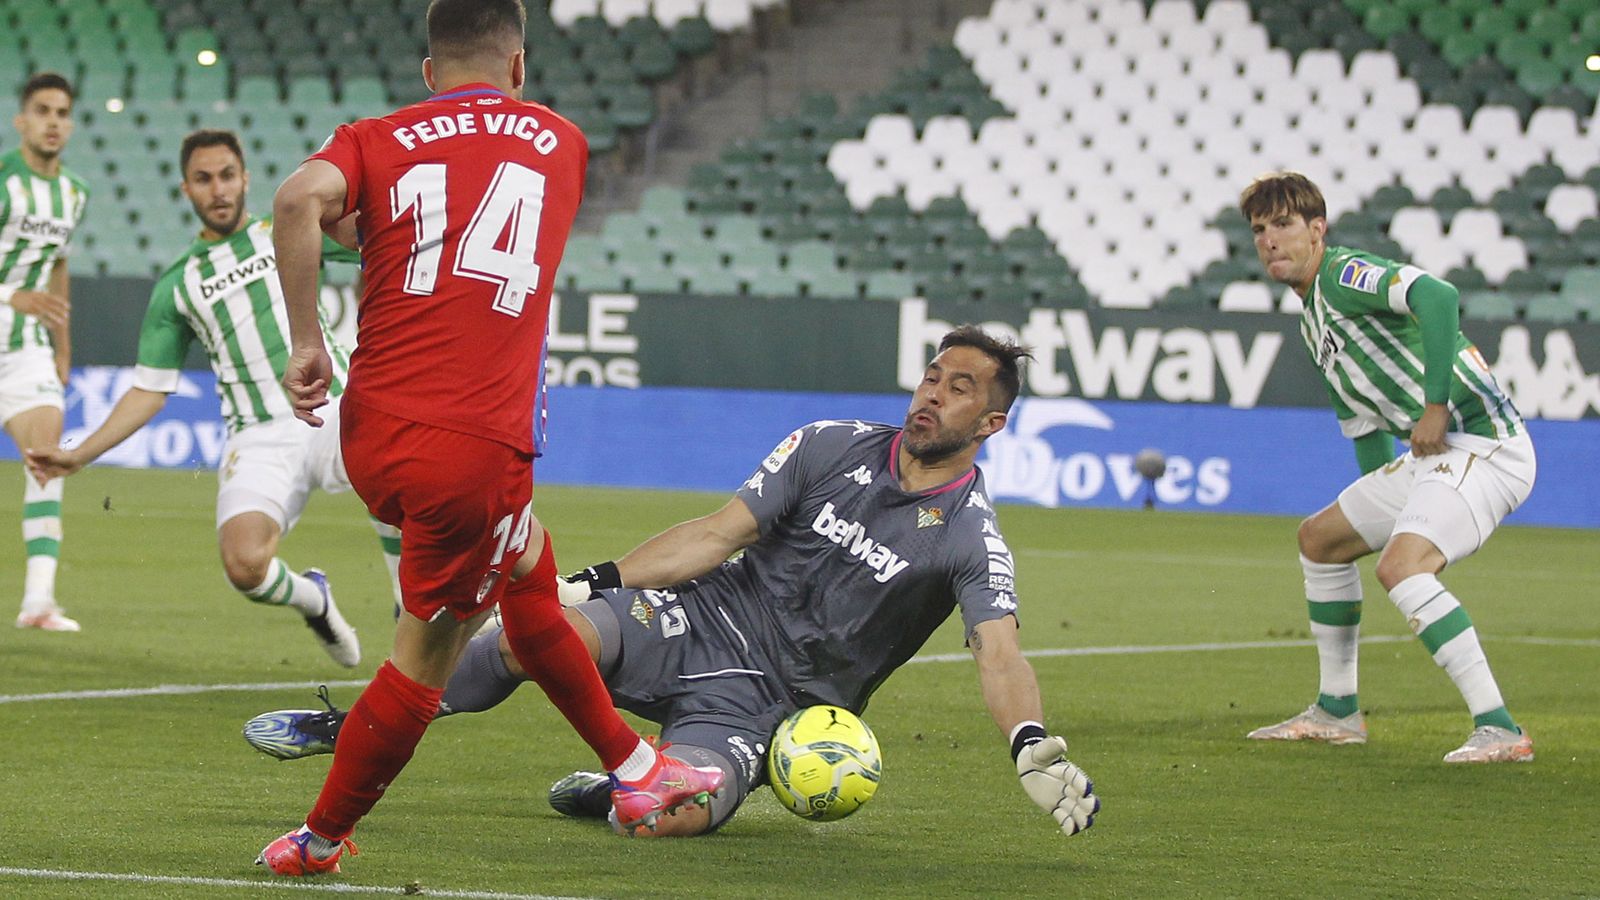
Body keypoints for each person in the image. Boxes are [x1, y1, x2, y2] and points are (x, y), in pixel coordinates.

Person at [245, 325, 1101, 839]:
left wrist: (1029, 738)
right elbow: (715, 537)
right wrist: (590, 582)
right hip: (692, 618)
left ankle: (627, 788)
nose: (931, 397)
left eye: (958, 391)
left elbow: (999, 652)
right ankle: (348, 726)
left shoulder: (970, 538)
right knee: (524, 639)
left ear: (990, 423)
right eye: (930, 377)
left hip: (766, 709)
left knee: (665, 824)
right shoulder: (830, 443)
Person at [256, 0, 722, 875]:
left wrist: (307, 343)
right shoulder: (564, 144)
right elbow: (489, 218)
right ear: (518, 64)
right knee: (424, 662)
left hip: (375, 434)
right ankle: (320, 840)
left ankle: (635, 766)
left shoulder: (377, 137)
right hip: (471, 441)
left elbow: (297, 204)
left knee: (531, 571)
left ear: (431, 72)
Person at [26, 129, 406, 666]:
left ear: (245, 178)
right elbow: (148, 390)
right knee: (244, 565)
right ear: (186, 189)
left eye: (228, 175)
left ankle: (405, 602)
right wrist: (79, 453)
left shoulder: (286, 229)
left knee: (397, 480)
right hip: (257, 434)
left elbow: (383, 243)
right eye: (204, 179)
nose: (219, 189)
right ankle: (313, 599)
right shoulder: (177, 285)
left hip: (334, 404)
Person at [1239, 171, 1536, 763]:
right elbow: (1363, 427)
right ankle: (1337, 711)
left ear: (1317, 229)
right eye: (1259, 230)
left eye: (1284, 224)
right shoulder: (1313, 319)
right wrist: (1377, 506)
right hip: (1430, 455)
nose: (1270, 240)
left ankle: (1500, 728)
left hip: (1482, 443)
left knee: (1402, 568)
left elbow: (1438, 296)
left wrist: (1433, 406)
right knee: (1321, 540)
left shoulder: (1344, 274)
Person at [3, 73, 87, 632]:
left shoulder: (74, 194)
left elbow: (58, 263)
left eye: (62, 112)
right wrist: (12, 294)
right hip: (11, 307)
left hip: (26, 346)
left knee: (45, 458)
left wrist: (63, 345)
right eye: (43, 111)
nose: (54, 121)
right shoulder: (5, 181)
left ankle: (38, 600)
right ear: (22, 121)